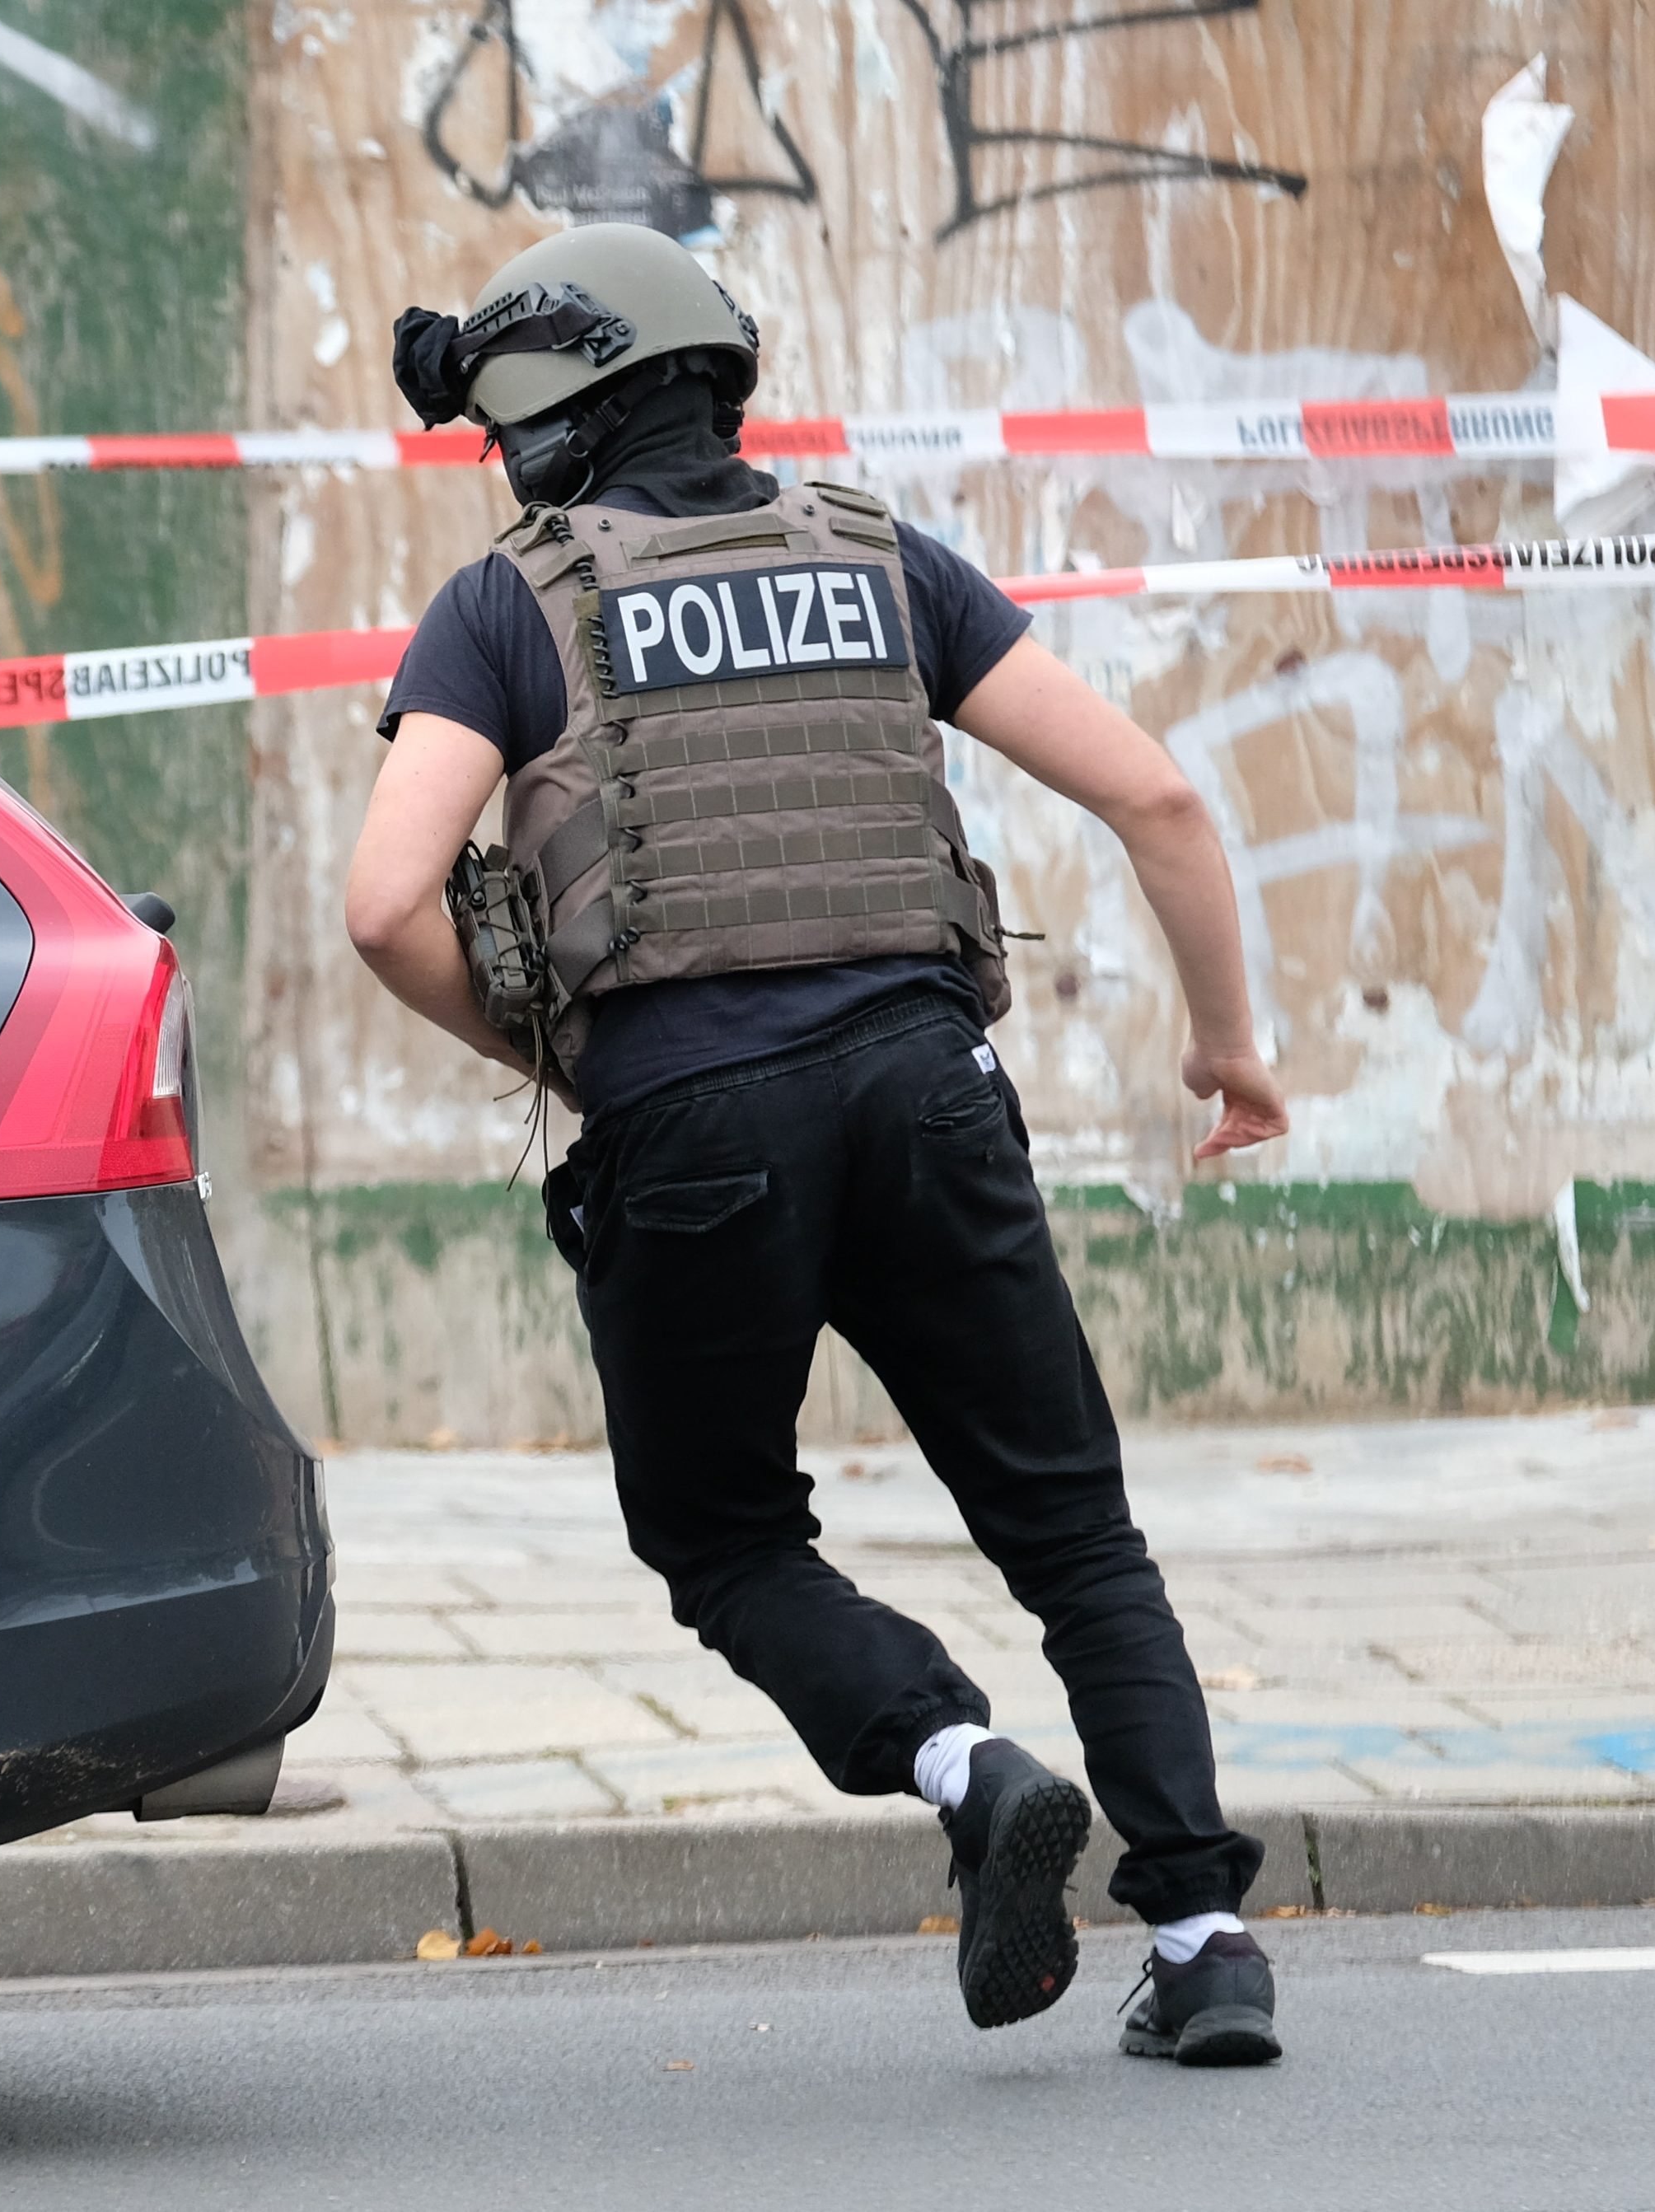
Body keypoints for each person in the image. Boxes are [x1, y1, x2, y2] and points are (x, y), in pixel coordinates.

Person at [348, 225, 1293, 2066]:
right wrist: (1224, 1049)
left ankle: (958, 1758)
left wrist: (557, 1047)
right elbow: (1154, 795)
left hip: (689, 1125)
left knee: (718, 1532)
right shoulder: (877, 556)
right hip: (929, 1093)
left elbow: (388, 907)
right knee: (1073, 1528)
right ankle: (1198, 1932)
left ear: (546, 424)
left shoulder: (503, 606)